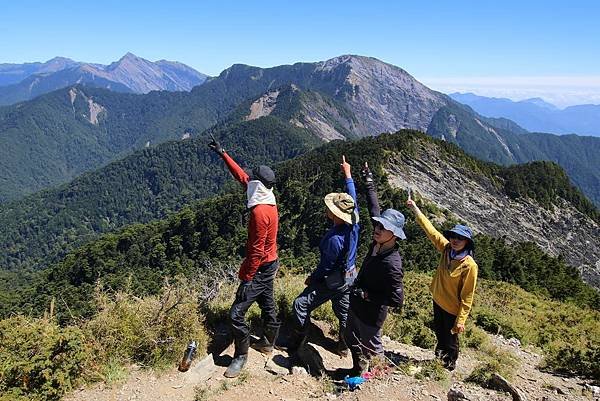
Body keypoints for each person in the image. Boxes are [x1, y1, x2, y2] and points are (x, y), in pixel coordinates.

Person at [208, 136, 280, 378]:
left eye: (254, 178)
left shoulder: (261, 212)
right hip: (271, 263)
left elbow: (257, 250)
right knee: (267, 301)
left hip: (260, 265)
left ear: (259, 184)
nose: (249, 179)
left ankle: (240, 355)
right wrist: (223, 153)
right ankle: (269, 341)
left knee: (236, 313)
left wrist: (246, 278)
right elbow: (242, 177)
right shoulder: (266, 197)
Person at [288, 155, 360, 358]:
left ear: (337, 215)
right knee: (344, 312)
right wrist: (348, 174)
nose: (327, 209)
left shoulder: (334, 240)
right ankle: (344, 346)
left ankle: (299, 340)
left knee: (300, 304)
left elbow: (325, 267)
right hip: (350, 276)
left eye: (331, 209)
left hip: (332, 280)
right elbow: (352, 197)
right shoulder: (355, 224)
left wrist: (313, 278)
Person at [345, 162, 405, 376]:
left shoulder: (392, 265)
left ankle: (375, 382)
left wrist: (369, 295)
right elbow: (373, 208)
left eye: (383, 227)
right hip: (357, 304)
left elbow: (397, 300)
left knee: (372, 350)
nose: (377, 229)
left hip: (371, 314)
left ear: (395, 234)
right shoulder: (380, 242)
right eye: (378, 225)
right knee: (350, 337)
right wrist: (368, 177)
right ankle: (357, 371)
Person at [406, 193, 478, 371]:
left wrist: (461, 320)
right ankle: (439, 360)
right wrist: (415, 209)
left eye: (459, 238)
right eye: (453, 236)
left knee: (450, 338)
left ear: (467, 242)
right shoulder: (447, 249)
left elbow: (468, 296)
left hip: (452, 309)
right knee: (440, 334)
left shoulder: (469, 265)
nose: (455, 240)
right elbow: (431, 231)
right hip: (438, 300)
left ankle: (448, 365)